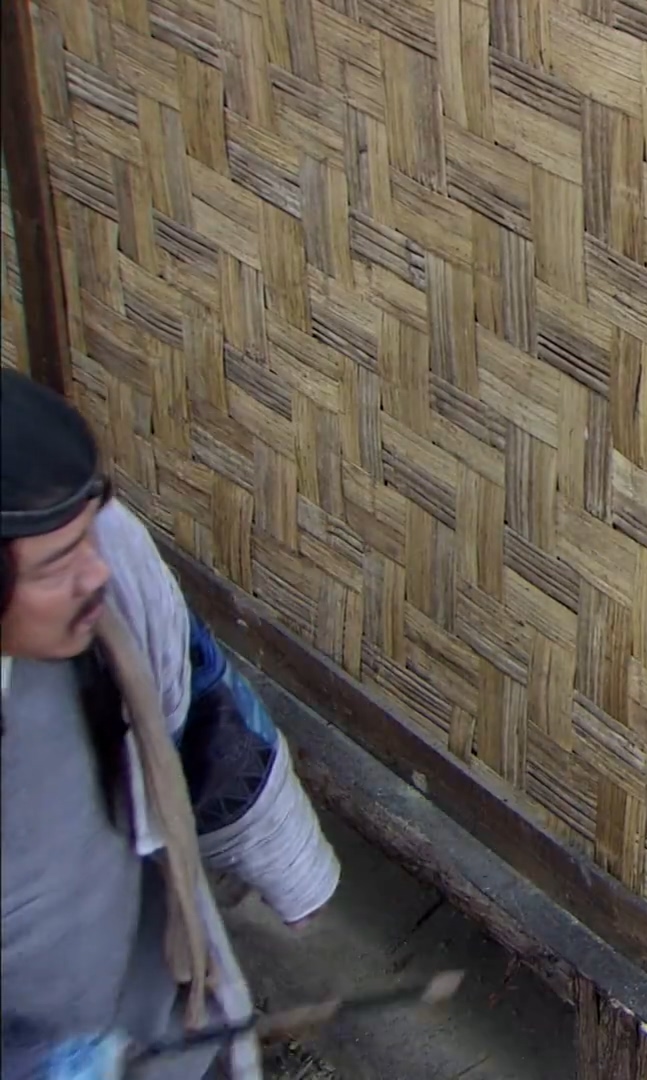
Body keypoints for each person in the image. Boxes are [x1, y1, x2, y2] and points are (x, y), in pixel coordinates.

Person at [2, 368, 342, 1080]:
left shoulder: (107, 588)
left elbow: (201, 695)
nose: (95, 573)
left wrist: (288, 866)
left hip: (150, 1016)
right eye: (57, 565)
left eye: (89, 536)